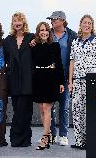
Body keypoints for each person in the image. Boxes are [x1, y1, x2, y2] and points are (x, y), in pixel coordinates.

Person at [68, 14, 96, 150]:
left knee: (90, 112)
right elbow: (72, 62)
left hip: (92, 80)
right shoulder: (75, 42)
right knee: (76, 111)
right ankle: (79, 141)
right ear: (81, 24)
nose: (87, 25)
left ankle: (90, 140)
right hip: (77, 81)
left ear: (92, 25)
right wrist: (70, 81)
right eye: (85, 22)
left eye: (89, 23)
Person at [32, 22, 65, 150]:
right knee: (41, 108)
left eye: (46, 30)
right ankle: (49, 134)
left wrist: (61, 82)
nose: (44, 32)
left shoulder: (55, 46)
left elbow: (59, 65)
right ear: (38, 32)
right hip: (38, 79)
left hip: (51, 79)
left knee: (46, 107)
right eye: (41, 30)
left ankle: (45, 137)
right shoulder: (34, 46)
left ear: (49, 32)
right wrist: (32, 43)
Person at [46, 11, 77, 146]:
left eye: (54, 19)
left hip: (65, 77)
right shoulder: (48, 33)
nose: (52, 21)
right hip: (49, 77)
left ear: (63, 21)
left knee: (64, 107)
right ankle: (52, 134)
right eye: (51, 19)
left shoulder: (72, 35)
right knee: (49, 107)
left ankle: (63, 135)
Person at [3, 12, 34, 147]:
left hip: (28, 79)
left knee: (26, 111)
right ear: (12, 23)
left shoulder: (32, 38)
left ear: (24, 22)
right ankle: (15, 139)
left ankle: (25, 140)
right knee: (17, 110)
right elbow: (3, 59)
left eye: (20, 20)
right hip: (14, 79)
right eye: (15, 21)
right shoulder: (8, 40)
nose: (17, 23)